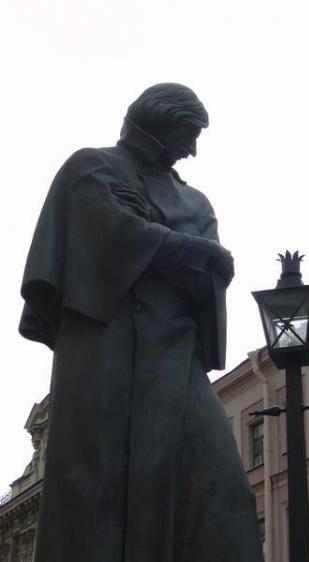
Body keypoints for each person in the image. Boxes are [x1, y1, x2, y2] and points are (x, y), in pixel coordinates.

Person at [19, 83, 264, 562]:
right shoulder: (91, 166)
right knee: (96, 490)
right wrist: (188, 249)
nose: (192, 150)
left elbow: (214, 270)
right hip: (104, 350)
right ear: (159, 122)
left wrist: (164, 246)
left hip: (176, 354)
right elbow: (110, 236)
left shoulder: (195, 200)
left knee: (222, 489)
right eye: (188, 134)